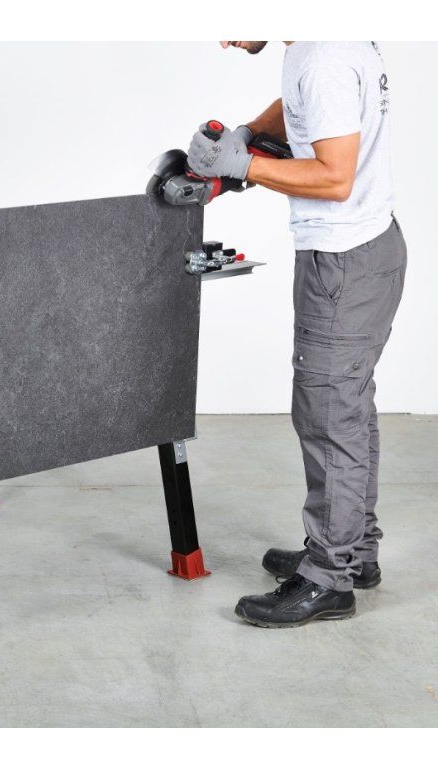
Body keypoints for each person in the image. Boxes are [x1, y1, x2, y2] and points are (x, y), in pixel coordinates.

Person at [185, 41, 407, 628]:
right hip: (365, 250)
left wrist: (244, 166)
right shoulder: (318, 36)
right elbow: (303, 106)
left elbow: (334, 178)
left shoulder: (322, 56)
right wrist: (249, 135)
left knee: (329, 416)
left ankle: (328, 578)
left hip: (344, 261)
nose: (225, 37)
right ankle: (354, 552)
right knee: (348, 409)